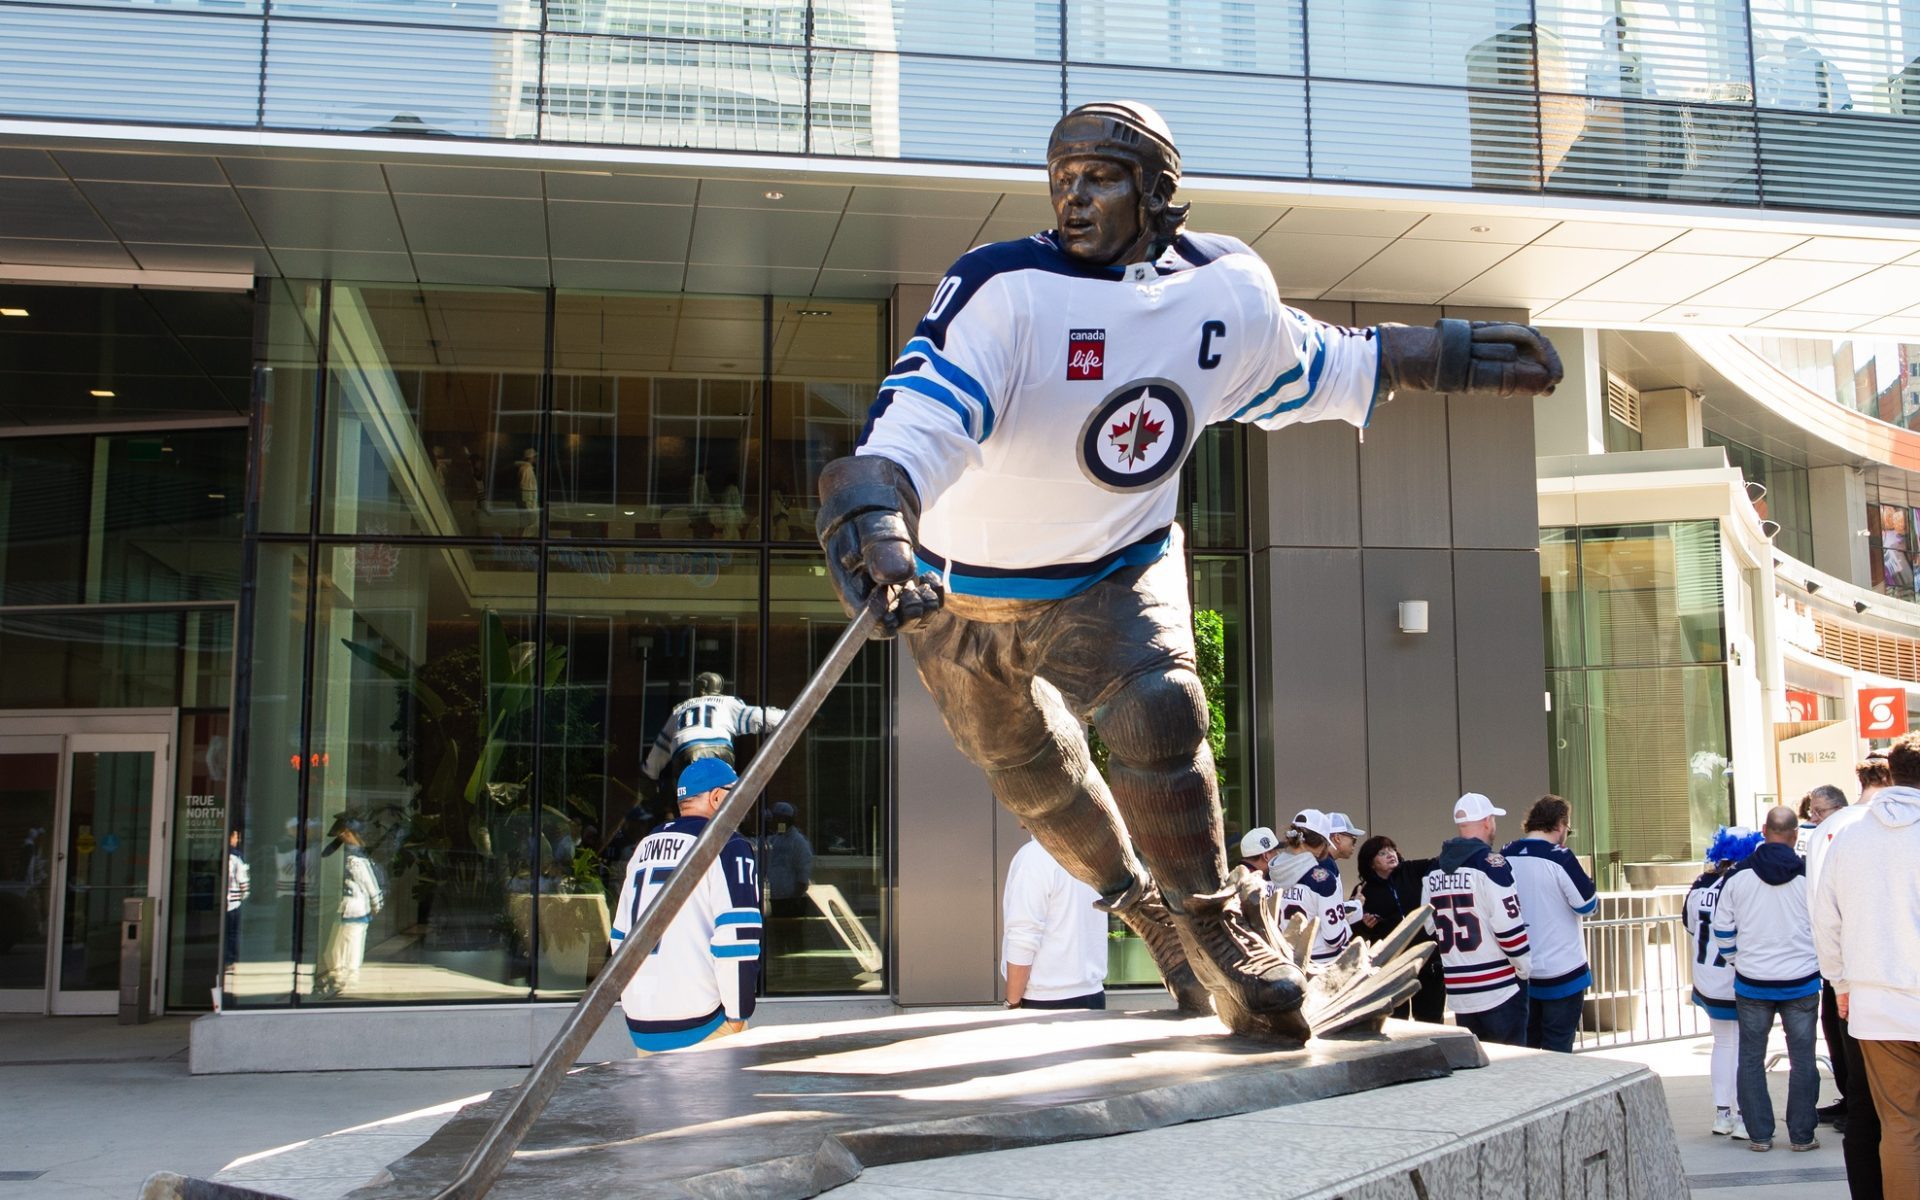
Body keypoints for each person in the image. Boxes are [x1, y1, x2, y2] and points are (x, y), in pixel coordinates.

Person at [814, 100, 1562, 1037]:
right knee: (1033, 778)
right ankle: (1143, 911)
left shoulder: (1224, 287)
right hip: (960, 586)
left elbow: (1310, 363)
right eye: (1061, 181)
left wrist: (1438, 354)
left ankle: (1212, 924)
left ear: (1161, 195)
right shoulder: (1004, 288)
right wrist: (873, 514)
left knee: (1158, 709)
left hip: (1115, 568)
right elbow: (918, 421)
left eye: (1099, 179)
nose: (1073, 199)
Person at [1815, 735, 1920, 1198]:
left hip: (1877, 1002)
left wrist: (1840, 982)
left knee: (1900, 1125)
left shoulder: (1850, 835)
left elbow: (1825, 918)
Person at [612, 758, 761, 1053]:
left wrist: (632, 1002)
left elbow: (619, 936)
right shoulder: (728, 844)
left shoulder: (646, 844)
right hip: (700, 1021)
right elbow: (738, 937)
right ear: (718, 797)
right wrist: (738, 1014)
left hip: (641, 1020)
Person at [1714, 805, 1823, 1153]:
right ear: (1795, 835)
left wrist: (1737, 960)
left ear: (1765, 830)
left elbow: (1722, 929)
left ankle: (1760, 1135)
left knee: (1750, 1057)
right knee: (1803, 1058)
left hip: (1753, 981)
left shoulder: (1738, 876)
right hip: (1801, 980)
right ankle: (1802, 1135)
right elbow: (1827, 926)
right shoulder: (1810, 876)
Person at [1810, 755, 1892, 1199]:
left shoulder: (1834, 831)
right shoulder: (1857, 828)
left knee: (1865, 1105)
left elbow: (1824, 917)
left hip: (1856, 985)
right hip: (1878, 985)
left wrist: (1838, 982)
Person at [1421, 793, 1531, 1046]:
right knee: (1511, 1066)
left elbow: (1428, 924)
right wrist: (1524, 967)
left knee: (1477, 1067)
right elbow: (1508, 926)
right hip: (1499, 986)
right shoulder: (1491, 865)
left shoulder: (1433, 870)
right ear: (1487, 821)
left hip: (1460, 988)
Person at [1502, 795, 1596, 1053]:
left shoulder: (1506, 853)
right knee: (1558, 1049)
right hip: (1563, 969)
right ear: (1561, 823)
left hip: (1521, 968)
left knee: (1526, 1048)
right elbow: (1586, 905)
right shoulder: (1560, 857)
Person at [1688, 825, 1761, 1141]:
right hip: (1736, 976)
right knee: (1744, 1046)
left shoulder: (1700, 885)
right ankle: (1744, 1116)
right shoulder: (1744, 884)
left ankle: (1722, 1113)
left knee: (1722, 1044)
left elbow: (1691, 927)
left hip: (1707, 976)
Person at [1799, 784, 1854, 1132]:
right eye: (1811, 812)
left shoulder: (1848, 840)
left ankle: (1859, 1108)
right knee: (1834, 1031)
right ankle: (1850, 1097)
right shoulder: (1822, 844)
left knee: (1851, 1036)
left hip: (1852, 965)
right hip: (1832, 966)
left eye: (1819, 811)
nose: (1813, 818)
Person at [1002, 833, 1109, 1010]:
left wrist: (1012, 1003)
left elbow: (1023, 937)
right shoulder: (1091, 855)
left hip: (1044, 1001)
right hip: (1093, 995)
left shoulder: (1035, 856)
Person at [641, 672, 787, 790]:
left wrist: (650, 772)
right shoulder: (727, 703)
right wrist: (792, 717)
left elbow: (661, 745)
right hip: (718, 748)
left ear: (700, 688)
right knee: (720, 796)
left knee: (689, 799)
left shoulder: (680, 709)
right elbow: (761, 717)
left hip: (685, 751)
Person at [1352, 834, 1443, 1023]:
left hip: (1427, 961)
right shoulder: (1363, 891)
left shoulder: (1411, 870)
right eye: (1382, 853)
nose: (1390, 855)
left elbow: (1439, 863)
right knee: (1395, 1020)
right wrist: (1364, 925)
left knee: (1431, 1021)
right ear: (1371, 863)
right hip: (1391, 967)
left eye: (1392, 849)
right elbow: (1355, 936)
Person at [313, 817, 383, 1000]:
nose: (343, 836)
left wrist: (376, 901)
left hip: (355, 907)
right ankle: (339, 978)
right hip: (348, 907)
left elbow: (369, 883)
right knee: (337, 949)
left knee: (350, 947)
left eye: (345, 833)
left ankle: (348, 981)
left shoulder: (356, 859)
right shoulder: (351, 855)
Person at [1275, 809, 1353, 972]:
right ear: (1321, 843)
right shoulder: (1323, 879)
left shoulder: (1270, 874)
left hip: (1282, 964)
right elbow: (1334, 938)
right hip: (1321, 967)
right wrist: (1347, 923)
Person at [224, 826, 249, 969]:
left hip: (226, 900)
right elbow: (242, 878)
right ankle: (230, 959)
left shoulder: (222, 854)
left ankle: (226, 958)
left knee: (227, 931)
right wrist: (245, 893)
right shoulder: (236, 856)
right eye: (235, 837)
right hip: (234, 900)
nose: (237, 840)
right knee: (233, 932)